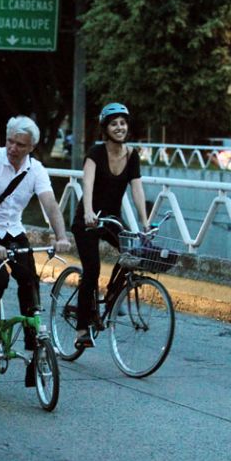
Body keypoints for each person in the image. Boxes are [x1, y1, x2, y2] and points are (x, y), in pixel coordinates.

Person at [0, 115, 71, 358]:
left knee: (29, 278)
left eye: (20, 144)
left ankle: (33, 341)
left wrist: (61, 236)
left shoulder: (36, 169)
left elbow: (50, 204)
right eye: (10, 141)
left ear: (32, 147)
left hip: (12, 228)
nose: (13, 148)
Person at [71, 102, 149, 346]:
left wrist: (144, 223)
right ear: (105, 128)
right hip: (89, 219)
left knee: (133, 252)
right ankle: (82, 329)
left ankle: (112, 296)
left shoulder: (132, 155)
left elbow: (137, 189)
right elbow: (88, 184)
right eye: (114, 124)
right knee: (92, 270)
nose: (119, 127)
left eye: (123, 123)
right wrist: (88, 212)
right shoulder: (96, 152)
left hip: (112, 219)